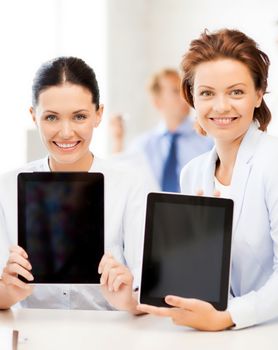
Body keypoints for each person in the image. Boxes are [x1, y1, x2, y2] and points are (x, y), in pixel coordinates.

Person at [106, 28, 278, 331]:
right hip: (212, 336)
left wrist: (227, 316)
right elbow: (200, 277)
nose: (221, 106)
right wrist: (136, 295)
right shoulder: (194, 173)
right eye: (207, 93)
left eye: (236, 92)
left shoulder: (272, 163)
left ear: (258, 93)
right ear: (192, 98)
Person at [0, 57, 149, 311]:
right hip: (33, 338)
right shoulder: (7, 187)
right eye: (51, 118)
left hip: (109, 336)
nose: (66, 132)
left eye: (79, 117)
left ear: (98, 114)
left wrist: (129, 300)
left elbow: (146, 293)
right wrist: (7, 293)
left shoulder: (130, 185)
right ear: (33, 116)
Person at [110, 69, 213, 192]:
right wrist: (117, 140)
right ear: (157, 102)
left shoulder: (208, 138)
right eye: (176, 91)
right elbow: (120, 177)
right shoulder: (143, 145)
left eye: (186, 89)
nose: (185, 96)